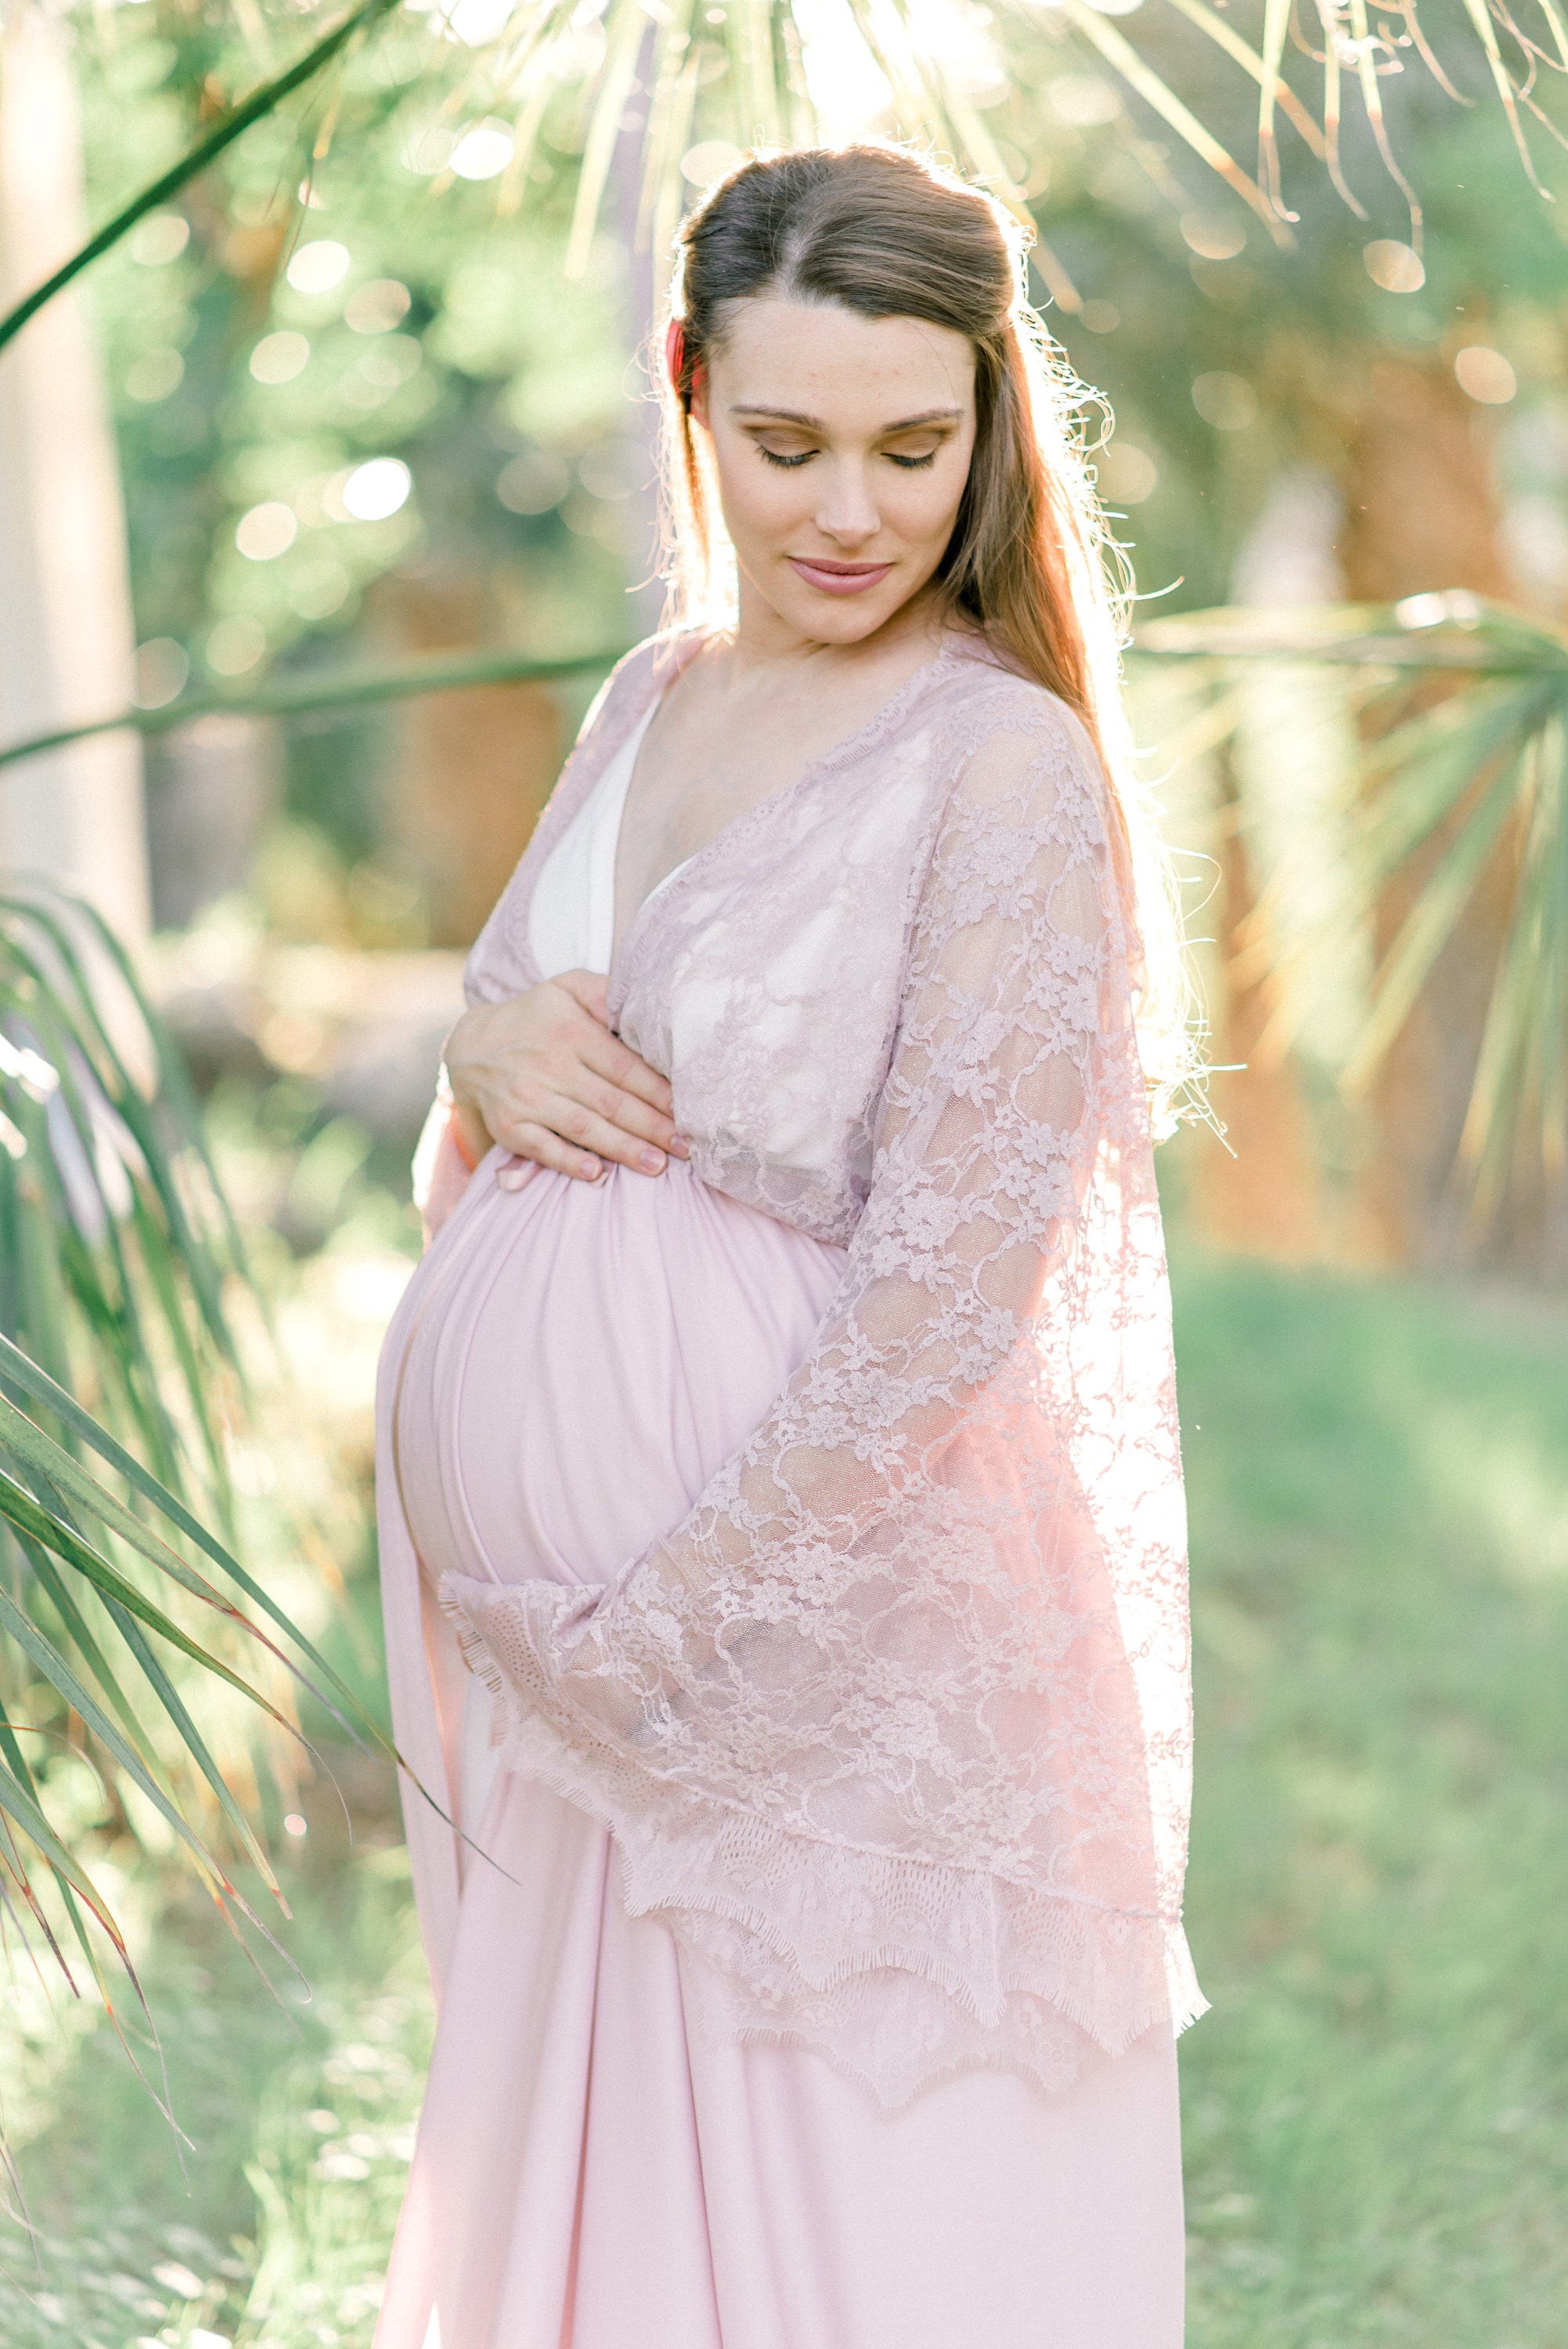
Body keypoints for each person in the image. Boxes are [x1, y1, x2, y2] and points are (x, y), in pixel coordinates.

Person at [373, 143, 1202, 2349]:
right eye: (786, 445)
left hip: (800, 1667)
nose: (849, 510)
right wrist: (477, 1053)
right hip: (573, 1682)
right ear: (686, 392)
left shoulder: (993, 768)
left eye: (913, 448)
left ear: (990, 424)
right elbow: (540, 1052)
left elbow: (951, 1289)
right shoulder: (650, 692)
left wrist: (662, 1629)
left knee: (834, 2274)